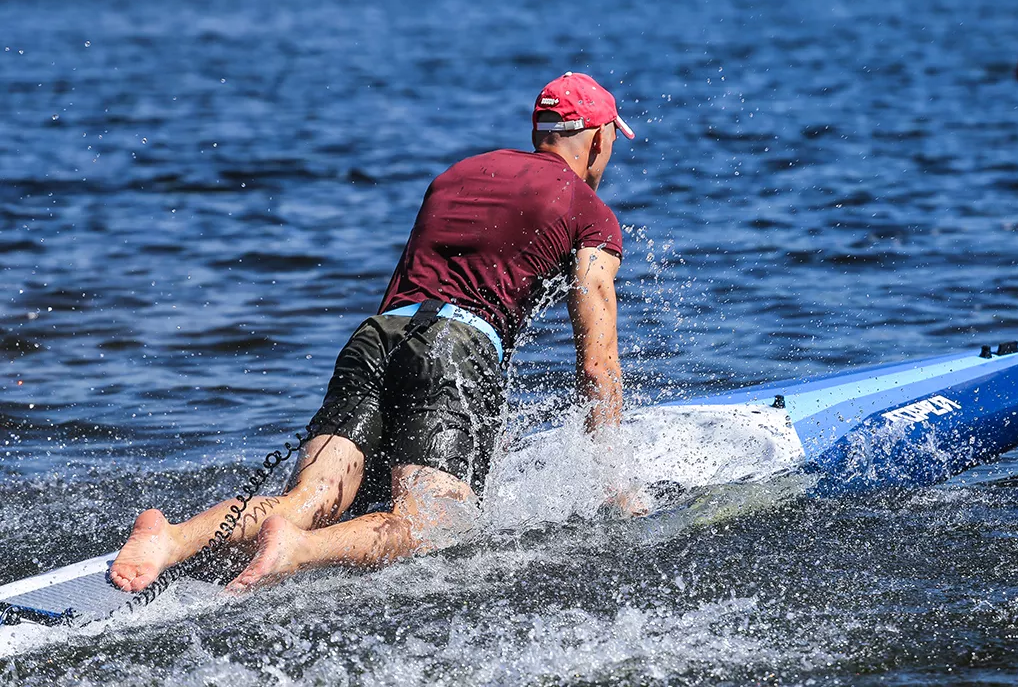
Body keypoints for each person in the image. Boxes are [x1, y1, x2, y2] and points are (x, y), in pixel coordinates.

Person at [108, 72, 636, 593]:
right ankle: (298, 549)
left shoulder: (459, 173)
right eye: (612, 137)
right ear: (595, 140)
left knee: (311, 501)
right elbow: (597, 363)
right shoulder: (589, 212)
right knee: (433, 523)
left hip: (378, 336)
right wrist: (609, 481)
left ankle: (171, 540)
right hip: (454, 351)